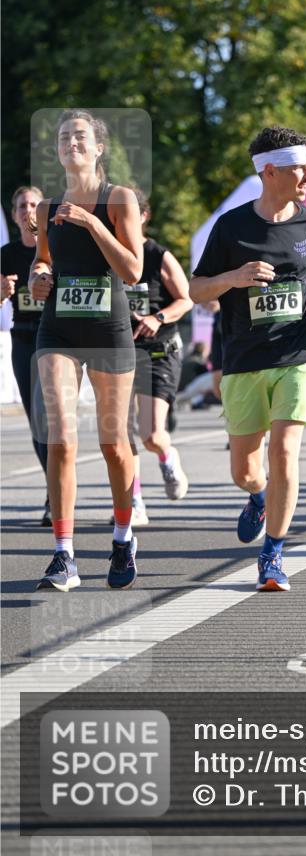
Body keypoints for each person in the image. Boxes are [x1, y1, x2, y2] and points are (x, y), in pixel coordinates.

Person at [190, 125, 306, 591]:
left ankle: (274, 552)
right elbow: (196, 289)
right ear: (270, 172)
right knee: (245, 469)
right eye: (299, 168)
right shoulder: (232, 226)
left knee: (284, 450)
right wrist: (235, 277)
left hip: (298, 353)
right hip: (243, 358)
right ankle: (257, 498)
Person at [30, 109, 143, 591]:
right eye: (63, 137)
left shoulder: (118, 198)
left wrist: (92, 225)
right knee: (60, 434)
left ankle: (122, 535)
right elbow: (44, 258)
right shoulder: (45, 207)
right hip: (58, 330)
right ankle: (64, 554)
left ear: (99, 148)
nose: (70, 143)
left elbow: (133, 270)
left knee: (113, 443)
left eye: (79, 136)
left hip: (108, 330)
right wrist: (39, 274)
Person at [112, 189, 192, 527]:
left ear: (143, 217)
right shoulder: (108, 254)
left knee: (151, 435)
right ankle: (136, 502)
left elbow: (186, 299)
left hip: (158, 350)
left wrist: (156, 318)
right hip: (120, 351)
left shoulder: (158, 255)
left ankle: (167, 456)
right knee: (122, 434)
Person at [1, 186, 50, 524]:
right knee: (37, 421)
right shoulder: (6, 254)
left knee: (52, 416)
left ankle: (58, 491)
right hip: (23, 339)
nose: (27, 210)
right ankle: (55, 487)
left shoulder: (57, 248)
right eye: (21, 206)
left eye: (34, 204)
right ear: (14, 213)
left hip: (57, 338)